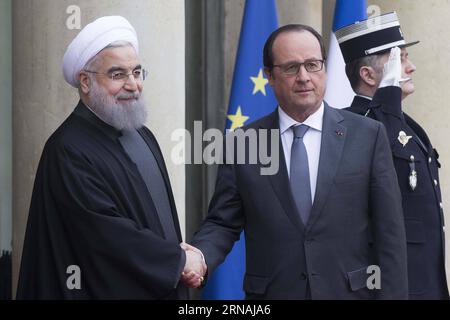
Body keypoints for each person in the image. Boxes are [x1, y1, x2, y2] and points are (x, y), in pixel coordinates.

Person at [189, 24, 408, 299]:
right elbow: (222, 222)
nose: (304, 77)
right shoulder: (243, 143)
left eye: (313, 65)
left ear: (325, 69)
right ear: (269, 75)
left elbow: (390, 235)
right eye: (291, 67)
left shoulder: (368, 135)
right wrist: (199, 256)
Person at [16, 16, 205, 299]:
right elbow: (104, 236)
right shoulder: (68, 149)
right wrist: (176, 261)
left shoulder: (143, 135)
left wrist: (181, 262)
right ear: (85, 82)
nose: (133, 85)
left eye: (137, 72)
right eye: (118, 75)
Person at [337, 11, 449, 299]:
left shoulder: (406, 124)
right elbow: (379, 149)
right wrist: (387, 96)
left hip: (424, 281)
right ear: (368, 74)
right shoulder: (353, 124)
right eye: (400, 59)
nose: (411, 67)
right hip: (389, 286)